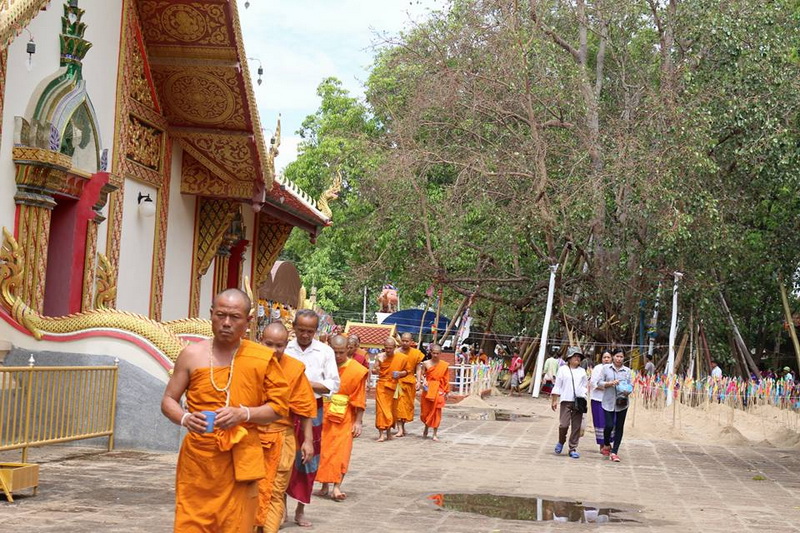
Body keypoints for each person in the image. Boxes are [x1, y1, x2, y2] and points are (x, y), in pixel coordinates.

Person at [161, 289, 290, 532]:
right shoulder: (191, 354)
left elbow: (279, 407)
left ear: (248, 321)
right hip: (200, 461)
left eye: (235, 317)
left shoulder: (260, 357)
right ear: (211, 315)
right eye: (220, 315)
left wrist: (244, 414)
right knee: (192, 524)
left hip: (240, 458)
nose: (227, 323)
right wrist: (185, 418)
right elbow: (168, 400)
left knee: (236, 525)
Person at [256, 323, 317, 533]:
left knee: (275, 490)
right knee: (250, 488)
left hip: (282, 437)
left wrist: (308, 441)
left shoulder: (293, 368)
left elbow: (306, 408)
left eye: (279, 346)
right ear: (260, 341)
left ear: (286, 344)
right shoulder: (249, 362)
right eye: (268, 344)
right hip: (250, 436)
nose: (273, 350)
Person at [284, 309, 340, 528]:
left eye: (310, 331)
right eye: (301, 330)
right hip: (285, 409)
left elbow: (333, 385)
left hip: (312, 409)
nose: (305, 335)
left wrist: (303, 383)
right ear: (294, 328)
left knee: (308, 460)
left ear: (316, 331)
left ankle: (300, 509)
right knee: (282, 458)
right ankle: (282, 510)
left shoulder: (324, 352)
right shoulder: (285, 348)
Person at [317, 335, 369, 501]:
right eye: (334, 352)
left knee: (341, 452)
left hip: (344, 416)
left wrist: (358, 422)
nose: (338, 356)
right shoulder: (323, 365)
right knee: (323, 451)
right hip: (323, 414)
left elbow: (360, 398)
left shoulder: (356, 370)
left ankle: (337, 487)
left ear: (348, 349)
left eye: (341, 352)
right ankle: (324, 485)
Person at [550, 346, 588, 459]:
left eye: (579, 357)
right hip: (566, 400)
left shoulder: (582, 371)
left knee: (576, 426)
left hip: (579, 401)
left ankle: (573, 448)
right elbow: (558, 385)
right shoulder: (562, 369)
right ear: (569, 358)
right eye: (575, 356)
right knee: (564, 424)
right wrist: (554, 399)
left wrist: (584, 396)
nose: (577, 358)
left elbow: (585, 386)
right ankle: (561, 441)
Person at [597, 348, 633, 462]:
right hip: (608, 401)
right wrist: (609, 383)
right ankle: (606, 444)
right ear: (613, 357)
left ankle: (615, 452)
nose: (619, 359)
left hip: (622, 403)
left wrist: (628, 390)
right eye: (617, 356)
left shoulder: (627, 371)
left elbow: (630, 385)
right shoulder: (605, 369)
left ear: (624, 358)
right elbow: (599, 382)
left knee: (619, 427)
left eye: (621, 357)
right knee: (608, 425)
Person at [372, 337, 408, 442]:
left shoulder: (401, 358)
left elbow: (407, 371)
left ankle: (388, 433)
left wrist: (400, 374)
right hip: (382, 385)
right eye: (386, 348)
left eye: (390, 348)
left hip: (393, 386)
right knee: (381, 410)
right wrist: (376, 370)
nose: (388, 350)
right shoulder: (379, 357)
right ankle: (381, 434)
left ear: (395, 347)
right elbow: (374, 370)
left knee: (391, 409)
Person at [395, 332, 425, 437]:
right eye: (403, 340)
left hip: (410, 382)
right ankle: (399, 429)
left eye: (407, 341)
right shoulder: (396, 352)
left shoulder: (416, 353)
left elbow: (418, 368)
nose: (405, 343)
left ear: (411, 341)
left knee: (407, 406)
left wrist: (418, 381)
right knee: (399, 405)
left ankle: (402, 427)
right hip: (398, 382)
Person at [419, 343, 450, 441]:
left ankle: (435, 433)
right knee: (426, 411)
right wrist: (423, 381)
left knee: (436, 411)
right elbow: (422, 374)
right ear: (430, 353)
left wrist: (446, 391)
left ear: (440, 353)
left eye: (437, 353)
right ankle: (426, 427)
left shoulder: (444, 365)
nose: (435, 355)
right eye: (434, 353)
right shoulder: (426, 363)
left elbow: (446, 379)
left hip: (438, 388)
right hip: (428, 389)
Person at [590, 350, 613, 455]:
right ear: (601, 359)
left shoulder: (614, 368)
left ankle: (608, 443)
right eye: (604, 357)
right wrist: (607, 386)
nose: (607, 359)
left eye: (608, 357)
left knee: (611, 423)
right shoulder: (598, 368)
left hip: (611, 400)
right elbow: (593, 383)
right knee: (600, 422)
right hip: (598, 399)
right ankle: (602, 445)